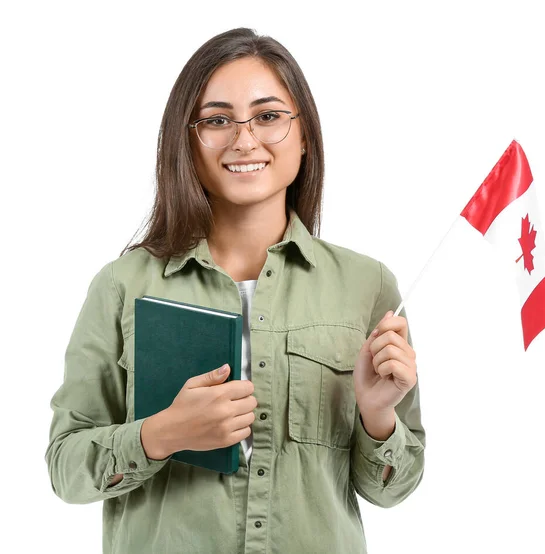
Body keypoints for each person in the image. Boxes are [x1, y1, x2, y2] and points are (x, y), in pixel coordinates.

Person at [45, 27, 426, 554]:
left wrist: (377, 414)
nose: (244, 139)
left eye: (268, 116)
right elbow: (66, 468)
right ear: (188, 139)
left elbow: (394, 489)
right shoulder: (122, 285)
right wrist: (162, 434)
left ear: (304, 134)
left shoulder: (366, 285)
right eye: (218, 120)